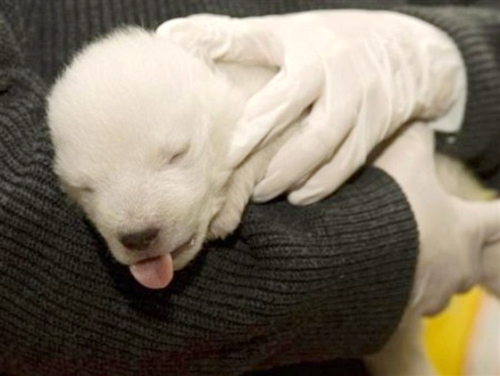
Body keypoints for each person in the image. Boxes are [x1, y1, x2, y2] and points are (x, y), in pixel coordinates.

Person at [0, 1, 499, 376]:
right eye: (86, 190)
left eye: (175, 156)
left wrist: (456, 64)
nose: (132, 224)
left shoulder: (225, 92)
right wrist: (389, 246)